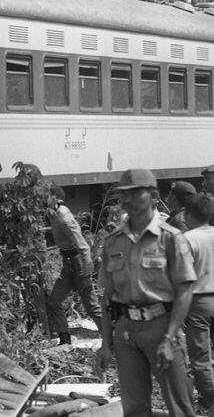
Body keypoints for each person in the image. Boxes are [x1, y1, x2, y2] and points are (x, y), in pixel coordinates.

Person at [95, 169, 196, 416]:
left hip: (161, 327)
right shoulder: (112, 242)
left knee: (179, 406)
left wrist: (170, 337)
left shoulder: (171, 238)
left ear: (153, 194)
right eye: (123, 194)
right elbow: (107, 296)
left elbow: (185, 291)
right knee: (135, 409)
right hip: (126, 331)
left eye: (135, 193)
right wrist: (105, 343)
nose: (127, 199)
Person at [45, 184, 103, 345]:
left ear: (55, 198)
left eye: (46, 196)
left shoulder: (64, 216)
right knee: (54, 301)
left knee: (91, 306)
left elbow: (83, 246)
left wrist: (86, 272)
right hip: (67, 264)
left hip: (77, 263)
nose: (43, 200)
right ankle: (65, 340)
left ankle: (111, 339)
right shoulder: (54, 213)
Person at [183, 193, 214, 413]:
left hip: (199, 301)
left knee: (201, 356)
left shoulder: (187, 239)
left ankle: (210, 400)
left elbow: (180, 276)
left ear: (189, 214)